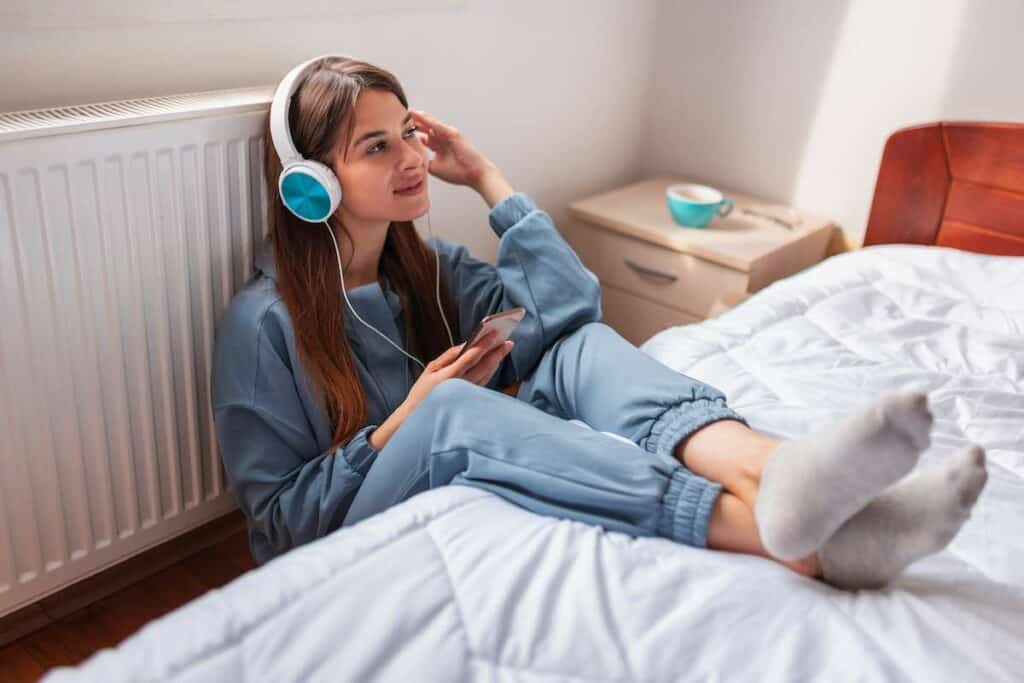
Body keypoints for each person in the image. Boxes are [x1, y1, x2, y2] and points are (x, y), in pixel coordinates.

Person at [212, 55, 988, 590]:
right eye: (375, 147)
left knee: (576, 351)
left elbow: (570, 310)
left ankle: (770, 469)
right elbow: (279, 525)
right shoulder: (263, 325)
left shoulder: (425, 267)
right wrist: (407, 419)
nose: (411, 157)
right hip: (333, 538)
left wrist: (488, 177)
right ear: (313, 184)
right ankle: (778, 537)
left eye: (407, 133)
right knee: (450, 410)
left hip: (425, 459)